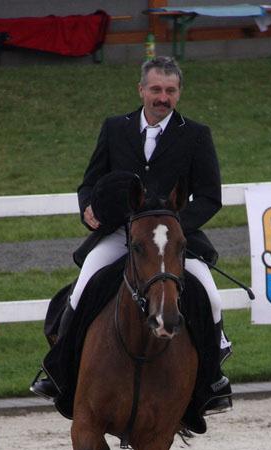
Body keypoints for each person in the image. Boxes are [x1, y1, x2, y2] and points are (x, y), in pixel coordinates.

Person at [31, 56, 232, 417]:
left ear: (178, 93)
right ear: (141, 90)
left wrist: (173, 227)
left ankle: (213, 381)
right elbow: (90, 182)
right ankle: (58, 369)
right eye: (156, 89)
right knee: (84, 285)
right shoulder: (115, 128)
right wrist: (88, 207)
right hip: (120, 232)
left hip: (170, 238)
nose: (163, 98)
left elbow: (209, 196)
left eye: (170, 91)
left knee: (212, 297)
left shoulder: (196, 134)